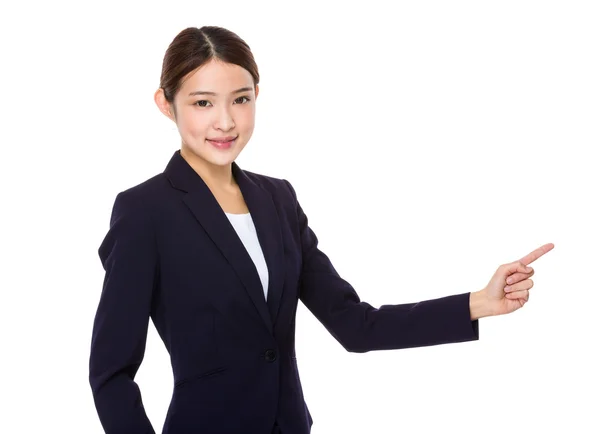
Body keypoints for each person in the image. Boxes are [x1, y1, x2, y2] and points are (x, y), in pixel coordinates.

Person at [88, 26, 554, 434]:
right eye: (202, 102)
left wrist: (478, 303)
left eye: (241, 99)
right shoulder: (144, 212)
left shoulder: (278, 200)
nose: (225, 121)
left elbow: (356, 325)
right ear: (166, 105)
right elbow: (111, 372)